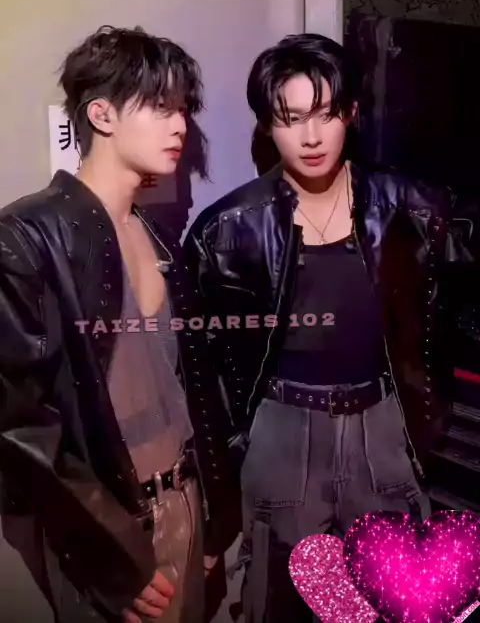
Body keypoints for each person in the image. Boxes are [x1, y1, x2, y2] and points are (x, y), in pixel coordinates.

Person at [183, 33, 464, 623]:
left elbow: (445, 319)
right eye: (290, 119)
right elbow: (203, 376)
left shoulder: (415, 208)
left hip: (383, 422)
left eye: (325, 114)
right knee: (279, 600)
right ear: (268, 126)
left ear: (351, 113)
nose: (310, 137)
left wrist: (428, 416)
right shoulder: (226, 230)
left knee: (396, 600)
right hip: (283, 427)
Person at [0, 26, 239, 623]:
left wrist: (212, 517)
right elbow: (19, 427)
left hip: (187, 504)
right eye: (160, 106)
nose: (180, 125)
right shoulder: (26, 237)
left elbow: (194, 389)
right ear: (101, 114)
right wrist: (108, 558)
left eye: (183, 108)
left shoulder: (157, 234)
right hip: (111, 529)